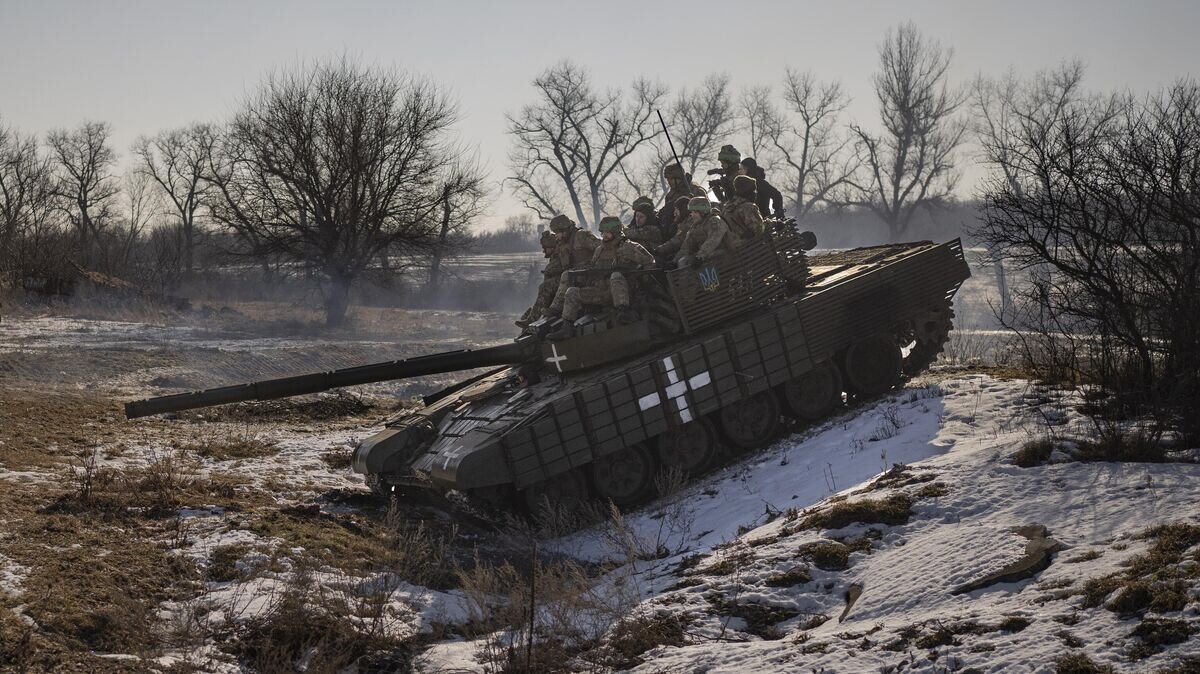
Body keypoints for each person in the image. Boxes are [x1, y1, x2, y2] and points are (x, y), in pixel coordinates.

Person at [547, 216, 654, 339]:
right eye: (602, 232)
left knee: (616, 275)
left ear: (616, 232)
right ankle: (567, 328)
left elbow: (650, 262)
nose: (604, 236)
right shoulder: (599, 250)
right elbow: (592, 269)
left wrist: (643, 282)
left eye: (607, 233)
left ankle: (623, 312)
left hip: (624, 293)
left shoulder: (629, 247)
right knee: (572, 292)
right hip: (602, 292)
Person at [515, 230, 563, 329]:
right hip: (559, 286)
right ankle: (534, 315)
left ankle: (532, 318)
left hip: (563, 284)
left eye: (545, 248)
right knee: (544, 287)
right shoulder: (555, 257)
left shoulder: (560, 256)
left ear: (552, 247)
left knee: (545, 287)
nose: (543, 251)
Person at [675, 196, 732, 267]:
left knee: (713, 256)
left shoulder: (714, 220)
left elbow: (713, 240)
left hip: (725, 253)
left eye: (694, 212)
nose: (691, 215)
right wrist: (674, 261)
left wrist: (700, 256)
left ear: (702, 212)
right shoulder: (696, 226)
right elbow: (686, 246)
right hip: (708, 255)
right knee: (683, 261)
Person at [658, 163, 706, 239]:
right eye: (668, 179)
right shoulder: (670, 195)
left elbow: (704, 212)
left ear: (679, 178)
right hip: (672, 229)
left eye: (671, 179)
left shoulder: (695, 190)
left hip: (691, 229)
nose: (669, 182)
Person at [721, 175, 765, 245]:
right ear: (748, 191)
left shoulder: (726, 208)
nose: (755, 193)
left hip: (739, 248)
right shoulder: (748, 207)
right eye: (753, 190)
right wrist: (774, 223)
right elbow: (759, 228)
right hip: (756, 247)